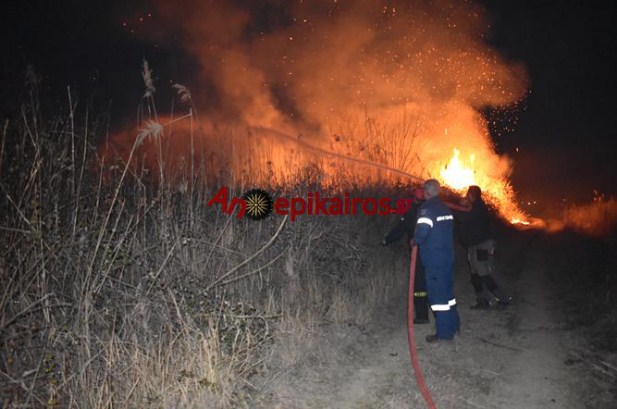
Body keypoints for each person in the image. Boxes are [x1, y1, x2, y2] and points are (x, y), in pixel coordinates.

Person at [448, 185, 511, 309]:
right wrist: (450, 195)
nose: (466, 197)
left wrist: (450, 206)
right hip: (474, 246)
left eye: (468, 195)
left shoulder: (476, 207)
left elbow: (461, 217)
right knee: (475, 275)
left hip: (480, 246)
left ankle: (503, 299)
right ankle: (483, 301)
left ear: (471, 196)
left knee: (484, 274)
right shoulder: (475, 205)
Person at [412, 179, 460, 343]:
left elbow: (422, 233)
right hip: (447, 257)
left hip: (434, 260)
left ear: (426, 193)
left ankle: (444, 333)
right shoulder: (444, 207)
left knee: (438, 299)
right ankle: (454, 327)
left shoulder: (427, 209)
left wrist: (414, 241)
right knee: (448, 294)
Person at [382, 187, 430, 325]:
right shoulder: (431, 210)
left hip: (419, 253)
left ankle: (422, 315)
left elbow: (401, 229)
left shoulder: (412, 212)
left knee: (419, 284)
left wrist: (387, 240)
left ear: (414, 198)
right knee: (432, 280)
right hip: (434, 252)